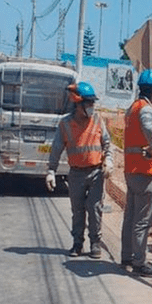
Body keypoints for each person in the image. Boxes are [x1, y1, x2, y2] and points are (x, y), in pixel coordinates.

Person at [46, 82, 113, 259]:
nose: (92, 107)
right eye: (89, 103)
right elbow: (56, 148)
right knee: (78, 210)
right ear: (78, 104)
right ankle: (77, 243)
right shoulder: (66, 124)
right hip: (76, 174)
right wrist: (51, 171)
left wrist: (110, 160)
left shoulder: (98, 120)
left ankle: (95, 243)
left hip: (96, 172)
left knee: (94, 208)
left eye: (93, 103)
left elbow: (107, 143)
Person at [120, 70, 152, 278]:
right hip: (145, 171)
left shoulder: (133, 108)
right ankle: (139, 262)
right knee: (143, 220)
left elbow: (144, 129)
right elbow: (148, 127)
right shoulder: (146, 108)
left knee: (130, 216)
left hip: (132, 170)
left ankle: (127, 256)